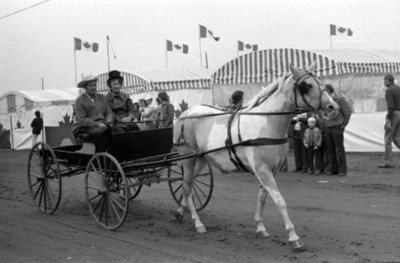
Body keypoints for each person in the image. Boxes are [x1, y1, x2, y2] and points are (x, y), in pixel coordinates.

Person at [72, 75, 113, 152]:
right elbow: (82, 119)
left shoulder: (102, 97)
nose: (93, 87)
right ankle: (100, 155)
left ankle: (114, 153)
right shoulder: (79, 101)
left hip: (103, 124)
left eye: (94, 85)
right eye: (90, 85)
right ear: (85, 87)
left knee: (117, 130)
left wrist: (108, 122)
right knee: (99, 132)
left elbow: (109, 112)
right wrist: (97, 124)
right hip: (86, 127)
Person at [324, 84, 352, 177]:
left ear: (329, 91)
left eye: (325, 91)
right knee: (330, 149)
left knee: (339, 149)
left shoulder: (339, 99)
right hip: (328, 127)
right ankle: (333, 169)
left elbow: (347, 111)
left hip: (337, 127)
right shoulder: (325, 101)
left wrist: (343, 124)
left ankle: (342, 170)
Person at [378, 74, 400, 168]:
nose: (384, 82)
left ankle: (388, 162)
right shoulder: (398, 88)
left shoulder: (389, 90)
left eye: (384, 80)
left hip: (394, 114)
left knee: (388, 138)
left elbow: (390, 107)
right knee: (396, 138)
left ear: (388, 80)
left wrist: (388, 119)